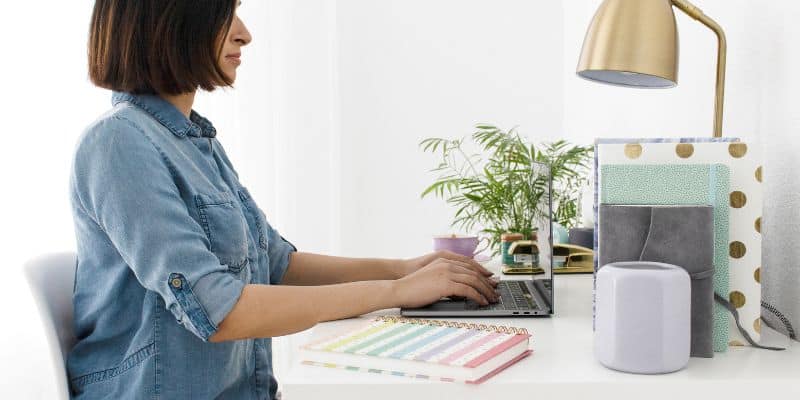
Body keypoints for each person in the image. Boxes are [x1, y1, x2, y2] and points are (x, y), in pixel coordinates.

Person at [68, 1, 499, 398]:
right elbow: (218, 310)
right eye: (226, 14)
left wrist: (403, 269)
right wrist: (395, 290)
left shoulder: (196, 143)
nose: (244, 34)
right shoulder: (119, 143)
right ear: (169, 20)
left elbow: (276, 265)